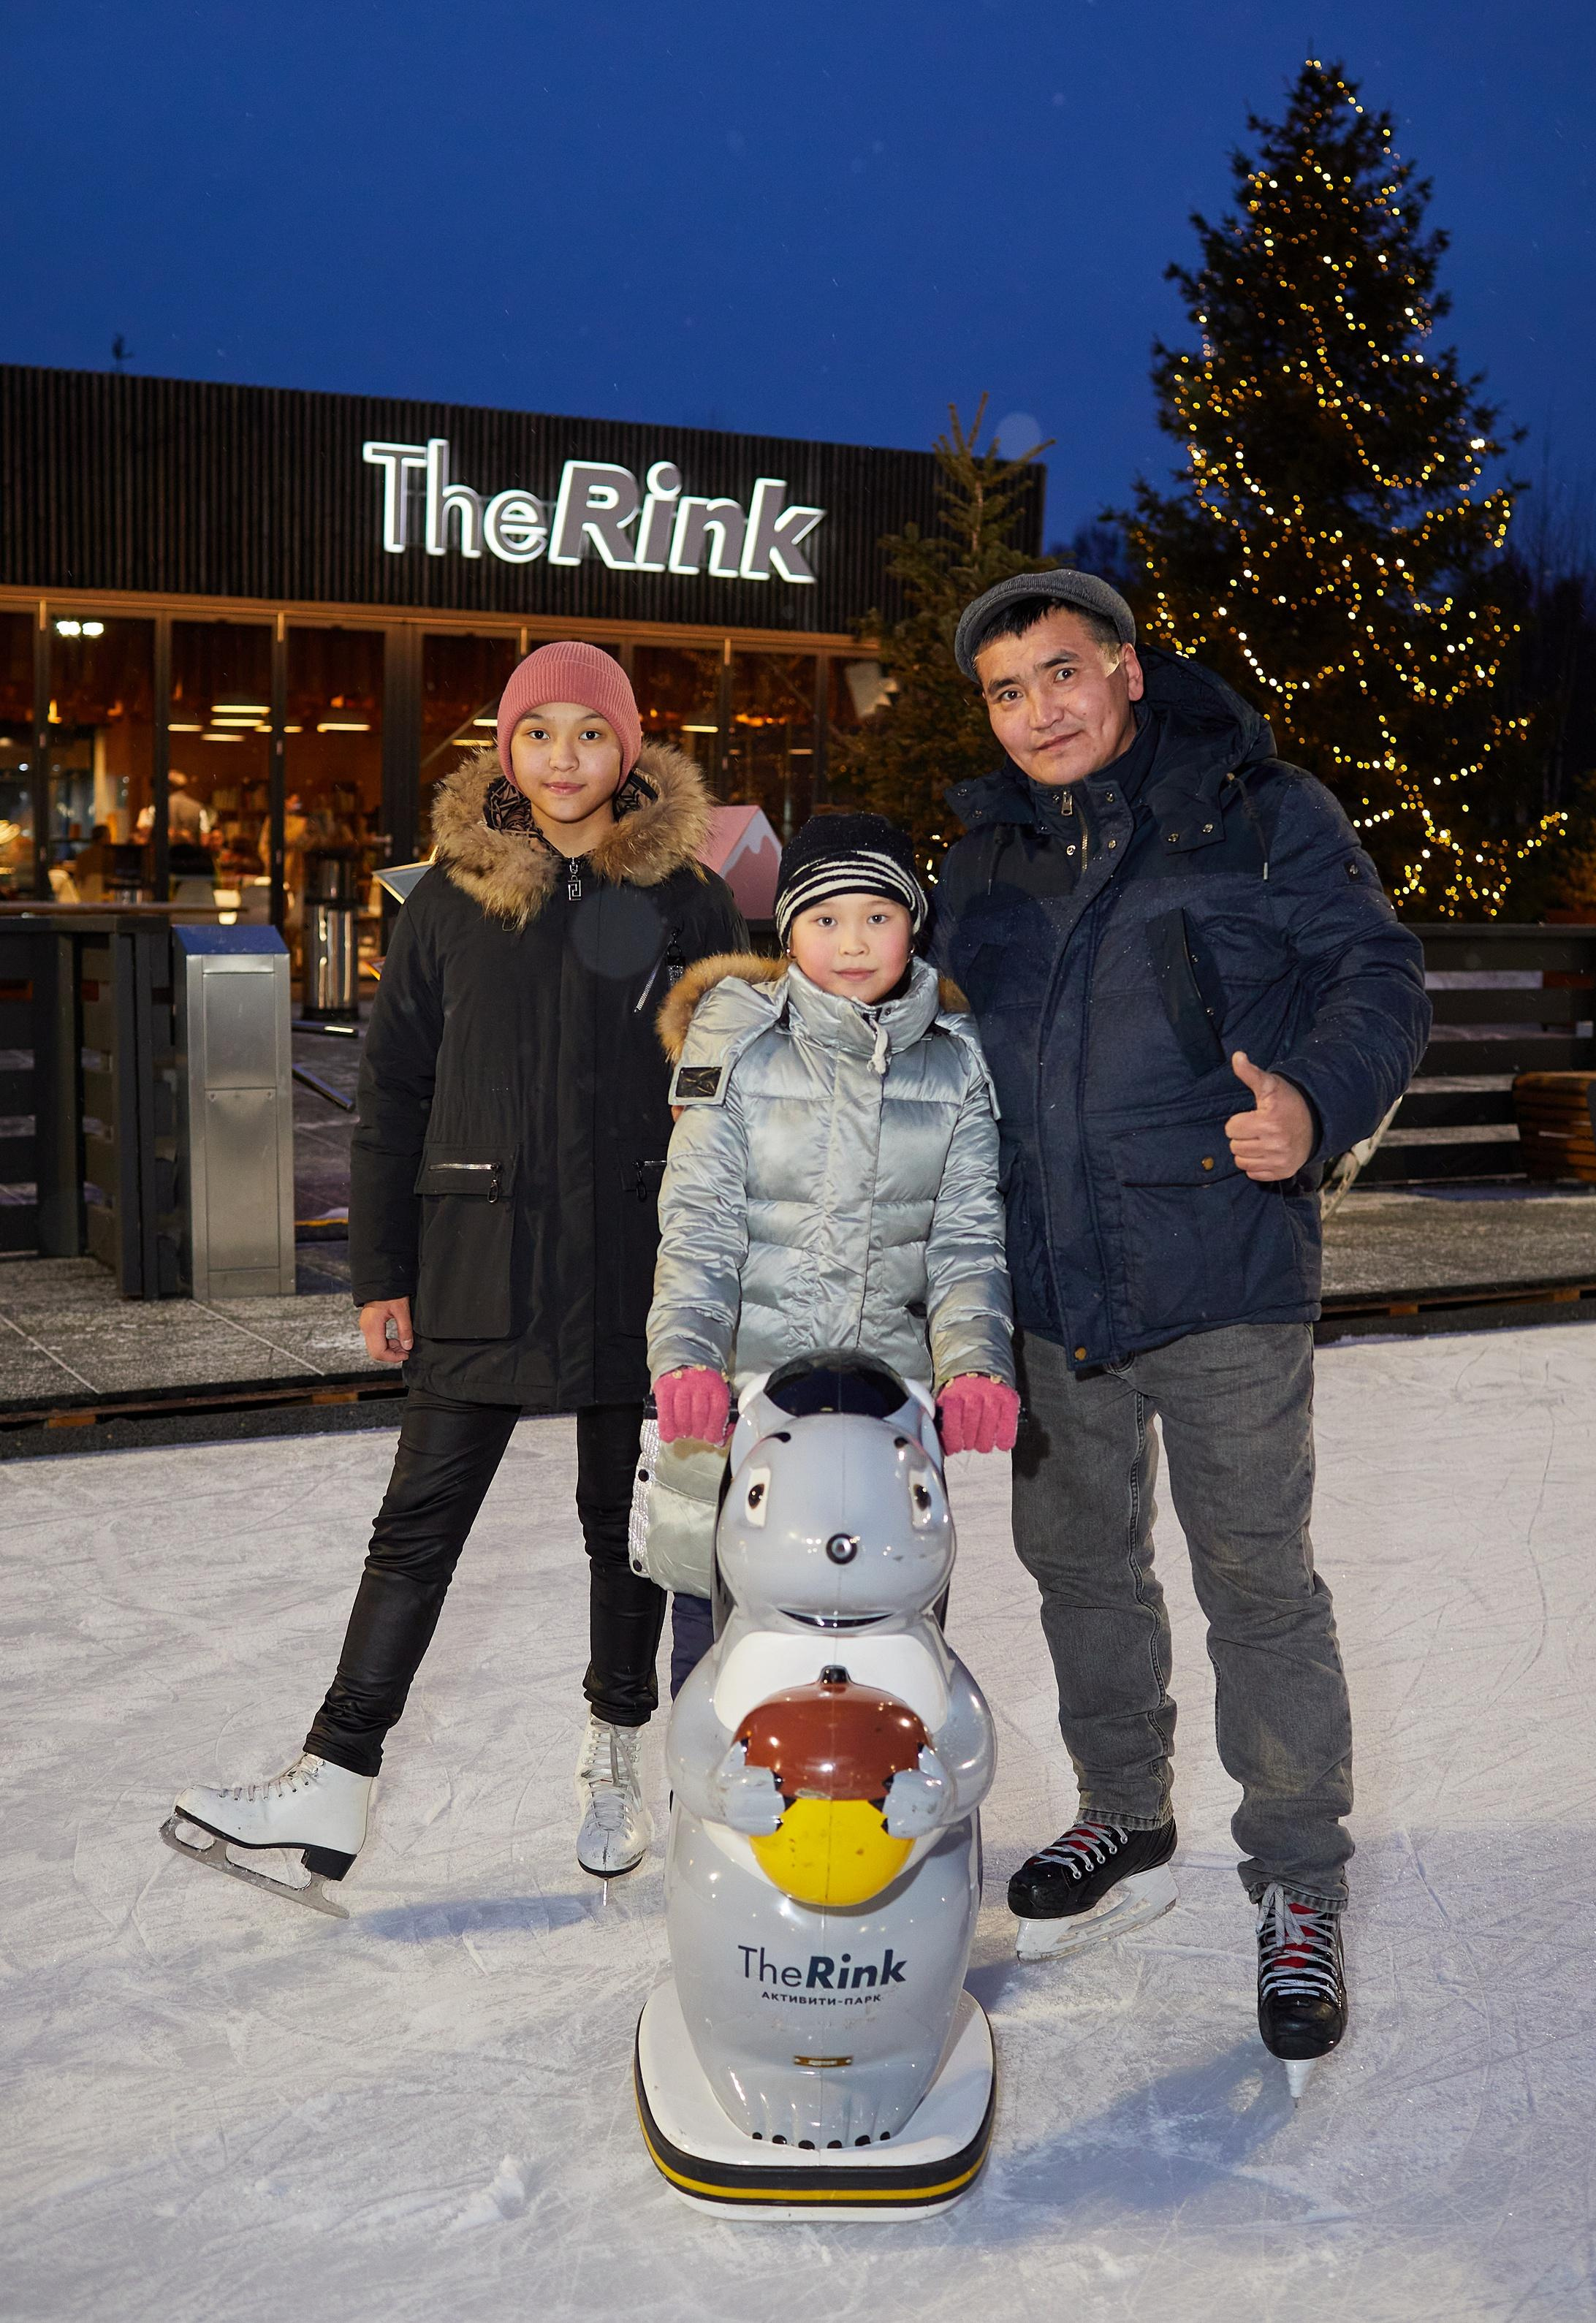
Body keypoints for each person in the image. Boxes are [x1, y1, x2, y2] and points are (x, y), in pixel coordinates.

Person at [935, 569, 1429, 2086]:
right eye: (1008, 692)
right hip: (1048, 1278)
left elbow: (1378, 973)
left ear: (1129, 671)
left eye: (1062, 673)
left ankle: (1298, 1881)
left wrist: (1317, 1102)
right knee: (1078, 1561)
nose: (1040, 711)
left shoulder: (1257, 811)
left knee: (1255, 1581)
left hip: (1219, 1255)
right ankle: (1125, 1805)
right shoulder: (985, 852)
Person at [165, 642, 747, 1906]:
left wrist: (729, 1262)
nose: (563, 756)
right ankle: (336, 1768)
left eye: (589, 731)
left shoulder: (692, 901)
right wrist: (382, 1269)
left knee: (624, 1528)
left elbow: (734, 1090)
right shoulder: (444, 900)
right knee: (417, 1522)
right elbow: (393, 1092)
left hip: (640, 1259)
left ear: (628, 747)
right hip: (482, 1250)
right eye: (537, 731)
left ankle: (616, 1745)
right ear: (502, 749)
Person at [645, 811, 1019, 1570]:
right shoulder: (736, 1049)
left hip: (889, 1410)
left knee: (887, 1604)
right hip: (741, 1400)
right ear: (788, 932)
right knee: (724, 1614)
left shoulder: (956, 1066)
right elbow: (700, 1223)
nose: (852, 943)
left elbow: (968, 1241)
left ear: (912, 925)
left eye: (877, 916)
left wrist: (974, 1362)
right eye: (825, 919)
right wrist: (688, 1355)